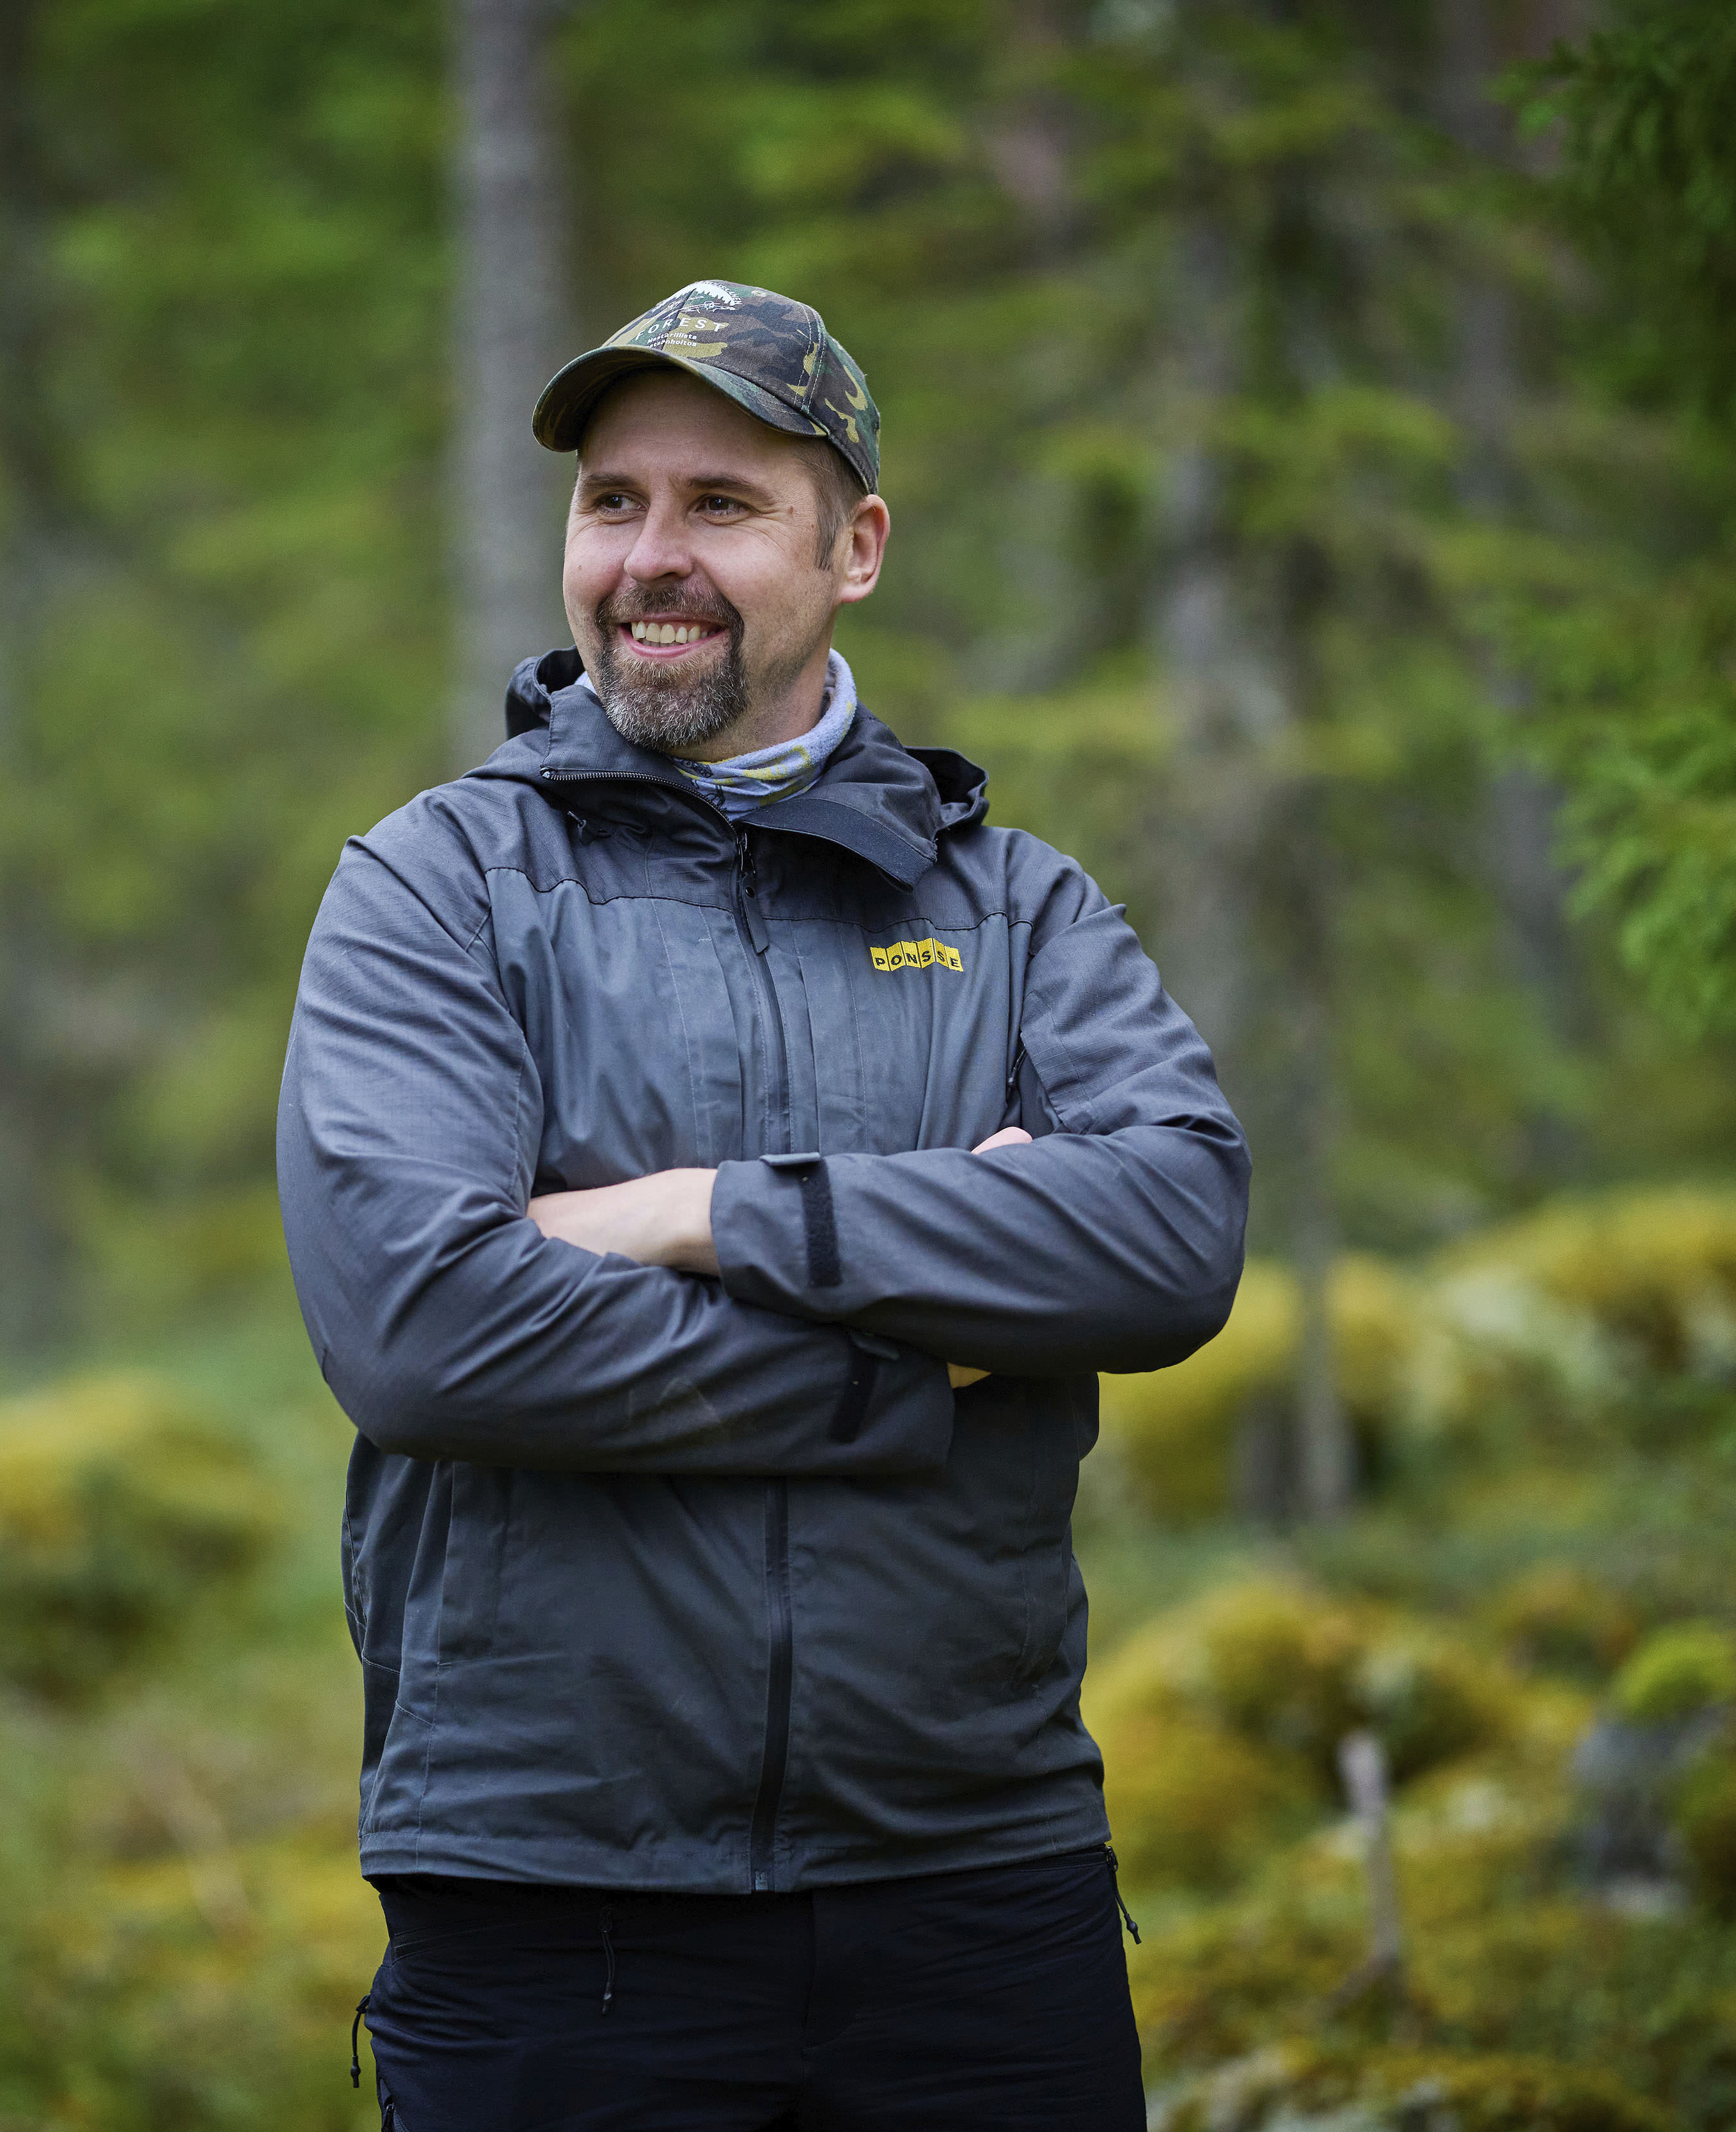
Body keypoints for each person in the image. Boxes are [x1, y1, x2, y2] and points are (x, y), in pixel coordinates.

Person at [276, 279, 1249, 2130]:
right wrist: (918, 1357)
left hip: (980, 1886)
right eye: (613, 502)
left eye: (721, 504)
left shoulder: (1015, 910)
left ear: (854, 547)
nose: (652, 557)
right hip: (551, 1898)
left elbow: (1170, 1234)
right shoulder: (439, 887)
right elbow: (425, 1334)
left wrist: (700, 1210)